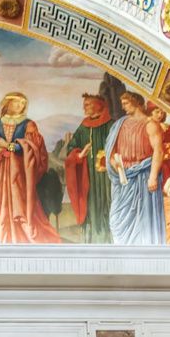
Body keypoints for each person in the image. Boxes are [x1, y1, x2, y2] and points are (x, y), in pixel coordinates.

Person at [0, 91, 61, 244]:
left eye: (22, 104)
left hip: (20, 173)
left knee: (21, 205)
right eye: (17, 102)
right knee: (0, 204)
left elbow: (34, 148)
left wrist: (7, 145)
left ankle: (23, 239)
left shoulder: (28, 124)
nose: (20, 106)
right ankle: (1, 238)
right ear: (7, 103)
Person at [104, 90, 165, 244]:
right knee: (116, 218)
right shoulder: (120, 125)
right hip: (123, 177)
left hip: (143, 176)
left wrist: (152, 177)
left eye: (126, 103)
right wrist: (115, 164)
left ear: (136, 102)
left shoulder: (150, 124)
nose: (123, 107)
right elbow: (111, 152)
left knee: (143, 217)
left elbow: (158, 151)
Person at [64, 93, 112, 243]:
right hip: (88, 174)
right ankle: (92, 241)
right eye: (84, 105)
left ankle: (109, 239)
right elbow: (72, 147)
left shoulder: (111, 125)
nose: (84, 108)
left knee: (107, 202)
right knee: (91, 203)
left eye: (88, 104)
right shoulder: (84, 127)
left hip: (107, 175)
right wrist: (79, 154)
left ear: (98, 105)